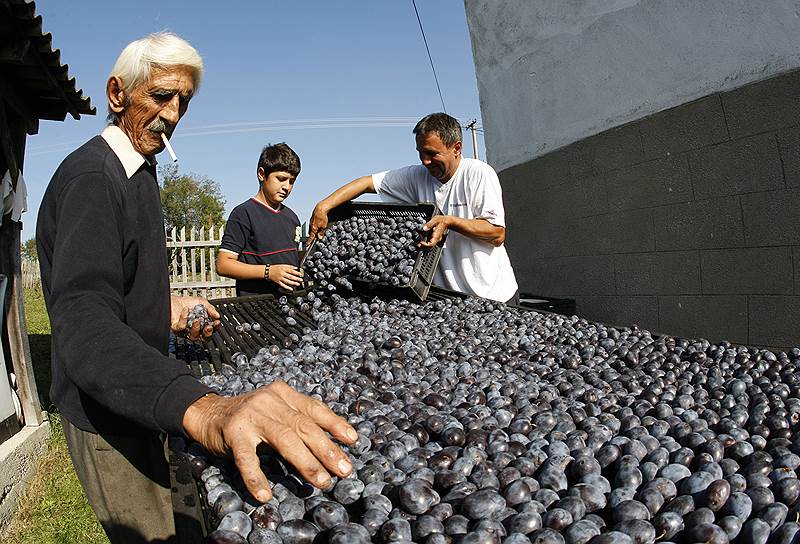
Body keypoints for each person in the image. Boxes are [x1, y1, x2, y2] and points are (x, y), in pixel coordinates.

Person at [36, 32, 356, 543]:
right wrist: (207, 407)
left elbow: (115, 278)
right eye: (161, 96)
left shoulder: (137, 171)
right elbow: (83, 323)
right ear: (117, 95)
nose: (173, 114)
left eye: (183, 101)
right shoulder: (94, 178)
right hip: (108, 413)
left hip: (138, 391)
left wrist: (163, 305)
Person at [309, 112, 518, 303]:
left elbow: (496, 233)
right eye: (420, 153)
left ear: (456, 148)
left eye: (432, 153)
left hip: (492, 296)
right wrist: (323, 207)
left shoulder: (478, 174)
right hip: (446, 298)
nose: (425, 161)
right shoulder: (417, 176)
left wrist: (450, 221)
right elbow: (366, 183)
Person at [216, 143, 305, 295]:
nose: (287, 187)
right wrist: (268, 272)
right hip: (256, 308)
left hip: (290, 307)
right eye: (281, 179)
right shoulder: (243, 214)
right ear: (262, 174)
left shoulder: (292, 217)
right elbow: (223, 265)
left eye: (292, 181)